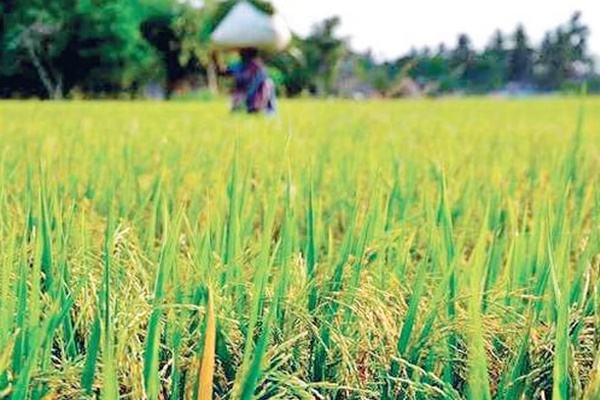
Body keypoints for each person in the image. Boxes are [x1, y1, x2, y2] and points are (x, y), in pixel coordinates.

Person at [214, 48, 276, 115]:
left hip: (259, 102)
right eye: (242, 53)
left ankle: (257, 109)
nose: (241, 55)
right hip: (244, 98)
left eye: (245, 53)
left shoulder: (259, 68)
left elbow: (259, 86)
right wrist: (216, 59)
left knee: (268, 83)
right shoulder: (239, 66)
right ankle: (244, 109)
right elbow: (222, 72)